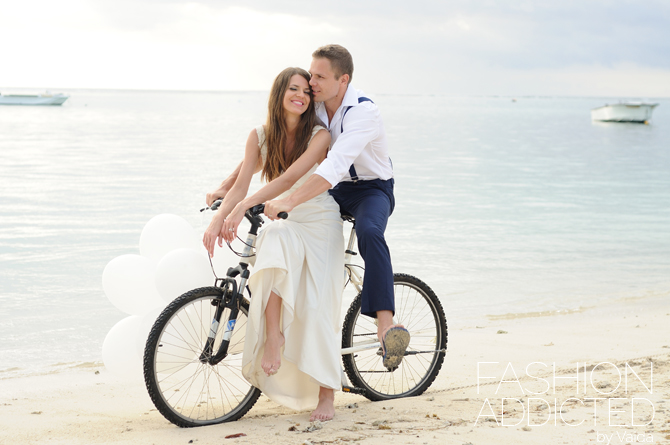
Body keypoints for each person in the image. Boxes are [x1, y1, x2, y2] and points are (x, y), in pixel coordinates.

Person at [202, 67, 344, 421]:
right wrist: (220, 216)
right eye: (293, 89)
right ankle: (274, 337)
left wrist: (244, 206)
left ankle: (327, 394)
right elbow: (241, 182)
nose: (301, 96)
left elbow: (290, 178)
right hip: (289, 220)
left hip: (320, 221)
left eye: (306, 92)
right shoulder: (260, 136)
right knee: (274, 237)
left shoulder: (320, 135)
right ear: (279, 92)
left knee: (316, 306)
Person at [263, 45, 410, 369]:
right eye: (311, 73)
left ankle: (386, 325)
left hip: (372, 189)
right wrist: (232, 185)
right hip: (335, 188)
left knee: (370, 232)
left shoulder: (363, 112)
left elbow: (335, 165)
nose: (311, 81)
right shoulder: (314, 107)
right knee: (291, 232)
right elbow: (273, 141)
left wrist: (288, 199)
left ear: (342, 80)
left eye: (319, 76)